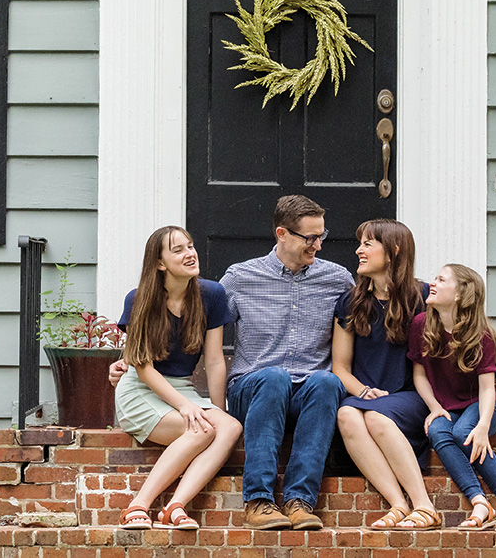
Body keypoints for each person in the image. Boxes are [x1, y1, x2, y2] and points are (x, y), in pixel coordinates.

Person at [221, 195, 354, 530]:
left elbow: (365, 334)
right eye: (310, 238)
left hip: (310, 393)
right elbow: (194, 326)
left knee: (326, 381)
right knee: (274, 378)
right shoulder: (240, 278)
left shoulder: (338, 280)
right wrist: (133, 364)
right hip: (253, 389)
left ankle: (299, 501)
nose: (318, 246)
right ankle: (259, 500)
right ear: (282, 233)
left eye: (321, 236)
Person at [114, 226, 242, 530]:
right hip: (141, 390)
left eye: (191, 246)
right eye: (178, 250)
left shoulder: (212, 295)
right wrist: (185, 407)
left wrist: (217, 407)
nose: (190, 253)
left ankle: (175, 506)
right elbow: (143, 369)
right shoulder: (139, 300)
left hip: (182, 388)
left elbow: (214, 361)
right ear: (160, 263)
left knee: (230, 426)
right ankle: (138, 506)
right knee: (201, 430)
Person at [332, 219, 440, 530]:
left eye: (367, 244)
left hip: (410, 395)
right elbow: (340, 366)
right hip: (365, 396)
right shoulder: (351, 301)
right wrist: (363, 391)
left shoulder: (422, 298)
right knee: (347, 415)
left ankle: (424, 505)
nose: (358, 250)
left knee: (376, 418)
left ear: (392, 251)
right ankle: (398, 504)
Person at [406, 264, 496, 530]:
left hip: (484, 406)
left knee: (463, 433)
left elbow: (487, 389)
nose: (431, 284)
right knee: (437, 430)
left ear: (460, 294)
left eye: (440, 279)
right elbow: (420, 375)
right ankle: (480, 502)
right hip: (448, 406)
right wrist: (434, 407)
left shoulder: (480, 334)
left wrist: (483, 426)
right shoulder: (421, 325)